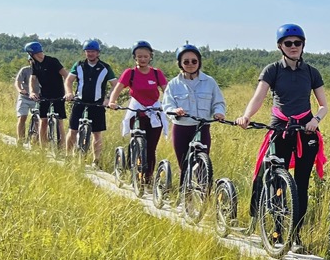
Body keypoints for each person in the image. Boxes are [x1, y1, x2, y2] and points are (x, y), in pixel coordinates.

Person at [235, 24, 328, 253]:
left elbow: (324, 105)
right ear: (280, 46)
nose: (293, 47)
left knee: (302, 185)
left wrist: (316, 119)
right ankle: (277, 233)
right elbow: (259, 97)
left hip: (305, 129)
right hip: (279, 128)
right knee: (277, 181)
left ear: (303, 45)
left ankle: (296, 236)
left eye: (297, 43)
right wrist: (246, 116)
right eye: (288, 43)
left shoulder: (311, 72)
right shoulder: (272, 70)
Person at [107, 41, 168, 189]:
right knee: (137, 138)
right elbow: (118, 88)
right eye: (139, 56)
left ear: (150, 57)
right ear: (135, 57)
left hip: (154, 110)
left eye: (145, 56)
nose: (142, 59)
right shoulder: (130, 73)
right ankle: (131, 167)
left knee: (151, 147)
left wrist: (173, 105)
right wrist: (112, 101)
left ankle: (148, 177)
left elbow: (167, 90)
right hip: (137, 110)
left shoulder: (156, 73)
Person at [163, 44, 226, 184]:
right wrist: (175, 111)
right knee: (184, 165)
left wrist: (218, 113)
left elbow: (219, 102)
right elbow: (167, 104)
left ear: (199, 62)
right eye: (186, 61)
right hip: (181, 128)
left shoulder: (210, 82)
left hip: (202, 128)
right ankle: (185, 197)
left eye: (194, 61)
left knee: (203, 165)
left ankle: (205, 196)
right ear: (180, 64)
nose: (190, 64)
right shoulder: (173, 84)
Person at [66, 39, 116, 164]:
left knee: (97, 134)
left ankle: (96, 160)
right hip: (80, 102)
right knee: (72, 130)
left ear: (98, 52)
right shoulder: (78, 65)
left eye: (93, 51)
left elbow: (115, 85)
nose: (90, 54)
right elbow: (68, 81)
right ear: (85, 53)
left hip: (97, 104)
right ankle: (67, 156)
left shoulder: (105, 67)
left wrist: (108, 99)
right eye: (88, 51)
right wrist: (69, 92)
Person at [24, 41, 69, 148]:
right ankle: (43, 147)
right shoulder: (35, 64)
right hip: (44, 94)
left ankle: (61, 147)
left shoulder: (53, 61)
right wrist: (32, 91)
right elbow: (32, 79)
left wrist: (68, 92)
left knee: (59, 122)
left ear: (31, 53)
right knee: (43, 120)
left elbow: (66, 75)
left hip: (58, 94)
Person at [14, 59, 35, 144]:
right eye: (31, 60)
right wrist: (20, 90)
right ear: (29, 61)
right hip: (25, 97)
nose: (33, 62)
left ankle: (35, 140)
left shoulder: (42, 70)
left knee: (39, 119)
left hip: (37, 98)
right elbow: (17, 82)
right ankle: (20, 139)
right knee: (22, 117)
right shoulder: (25, 70)